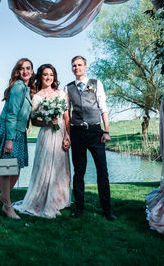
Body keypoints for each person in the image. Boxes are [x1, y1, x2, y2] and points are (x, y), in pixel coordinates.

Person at [13, 64, 71, 218]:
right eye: (45, 74)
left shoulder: (61, 94)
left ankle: (59, 200)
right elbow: (34, 121)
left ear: (54, 77)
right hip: (46, 134)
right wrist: (47, 122)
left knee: (59, 167)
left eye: (51, 74)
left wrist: (67, 136)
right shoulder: (37, 96)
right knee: (45, 167)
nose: (48, 77)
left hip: (61, 134)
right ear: (40, 77)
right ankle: (41, 199)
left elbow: (66, 117)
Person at [65, 55, 116, 221]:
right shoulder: (68, 88)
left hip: (95, 131)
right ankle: (79, 207)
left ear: (85, 67)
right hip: (77, 132)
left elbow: (103, 108)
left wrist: (106, 131)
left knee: (102, 170)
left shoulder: (96, 83)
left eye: (79, 65)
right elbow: (66, 114)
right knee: (79, 171)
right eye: (74, 65)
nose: (77, 68)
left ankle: (107, 209)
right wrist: (67, 134)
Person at [0, 58, 35, 219]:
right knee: (8, 169)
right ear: (18, 72)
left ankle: (3, 196)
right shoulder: (18, 87)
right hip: (9, 131)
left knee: (16, 169)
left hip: (19, 132)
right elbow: (12, 114)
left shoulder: (27, 88)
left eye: (28, 68)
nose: (25, 71)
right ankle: (7, 206)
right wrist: (9, 139)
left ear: (32, 71)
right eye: (22, 68)